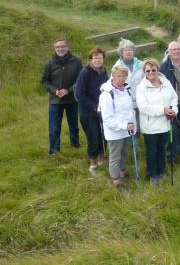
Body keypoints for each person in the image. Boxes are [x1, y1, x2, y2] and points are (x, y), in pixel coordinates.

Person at [136, 58, 178, 185]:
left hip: (165, 124)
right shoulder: (141, 87)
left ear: (157, 69)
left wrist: (174, 110)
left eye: (153, 69)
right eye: (147, 70)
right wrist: (163, 110)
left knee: (162, 149)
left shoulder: (166, 82)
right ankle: (153, 174)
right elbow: (143, 107)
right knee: (152, 150)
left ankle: (161, 170)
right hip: (150, 126)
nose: (151, 72)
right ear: (144, 72)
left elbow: (174, 98)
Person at [41, 38, 82, 155]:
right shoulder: (50, 63)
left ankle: (75, 144)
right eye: (57, 47)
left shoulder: (76, 61)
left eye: (62, 46)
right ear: (55, 48)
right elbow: (44, 81)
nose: (60, 49)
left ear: (67, 47)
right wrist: (55, 91)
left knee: (74, 125)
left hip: (72, 99)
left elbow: (80, 80)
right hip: (55, 100)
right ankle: (54, 151)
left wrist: (68, 90)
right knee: (54, 127)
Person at [99, 65, 136, 191]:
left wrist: (132, 125)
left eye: (124, 76)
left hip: (127, 129)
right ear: (113, 76)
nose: (121, 78)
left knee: (124, 152)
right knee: (115, 155)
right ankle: (116, 179)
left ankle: (122, 170)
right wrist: (124, 126)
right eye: (118, 75)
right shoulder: (107, 94)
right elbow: (107, 119)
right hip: (115, 132)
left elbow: (130, 110)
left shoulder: (127, 89)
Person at [75, 46, 108, 174]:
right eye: (95, 58)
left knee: (102, 135)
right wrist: (94, 106)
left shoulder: (103, 71)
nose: (98, 60)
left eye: (100, 58)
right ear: (90, 59)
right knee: (93, 137)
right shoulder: (85, 72)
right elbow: (79, 94)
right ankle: (93, 164)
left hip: (101, 110)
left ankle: (101, 159)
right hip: (87, 112)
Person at [113, 39, 144, 136]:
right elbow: (114, 83)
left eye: (130, 49)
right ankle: (129, 140)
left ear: (134, 51)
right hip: (124, 100)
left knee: (139, 122)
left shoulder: (141, 64)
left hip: (140, 99)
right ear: (121, 52)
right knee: (128, 121)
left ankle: (137, 139)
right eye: (125, 50)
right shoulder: (117, 66)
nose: (128, 51)